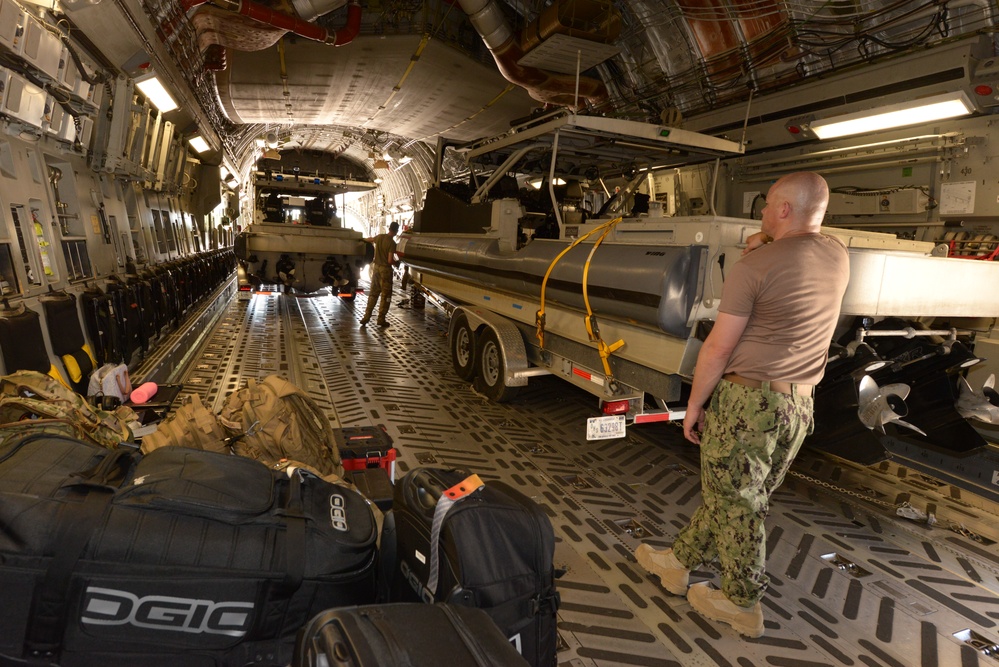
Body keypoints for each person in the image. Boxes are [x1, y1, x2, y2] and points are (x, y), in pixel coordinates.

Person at [635, 171, 850, 638]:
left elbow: (717, 348)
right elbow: (790, 252)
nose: (763, 214)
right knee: (736, 495)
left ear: (786, 210)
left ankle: (741, 602)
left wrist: (695, 404)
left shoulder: (753, 268)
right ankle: (678, 562)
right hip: (798, 406)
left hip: (747, 403)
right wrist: (764, 241)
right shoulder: (836, 253)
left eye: (769, 205)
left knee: (738, 504)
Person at [360, 221, 399, 328]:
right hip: (385, 270)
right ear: (396, 231)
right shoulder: (392, 243)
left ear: (389, 228)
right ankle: (381, 319)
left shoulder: (380, 237)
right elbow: (390, 260)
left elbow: (370, 239)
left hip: (376, 269)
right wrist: (397, 263)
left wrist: (361, 239)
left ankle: (366, 317)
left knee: (373, 293)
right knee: (385, 295)